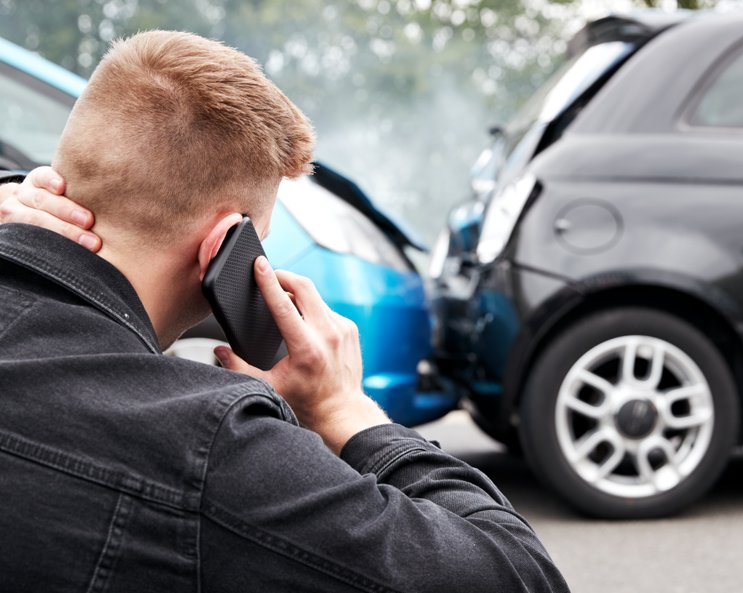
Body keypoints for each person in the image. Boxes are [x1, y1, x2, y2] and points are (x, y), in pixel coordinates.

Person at [0, 31, 569, 593]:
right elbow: (520, 578)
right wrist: (345, 411)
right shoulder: (205, 443)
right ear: (225, 246)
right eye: (259, 241)